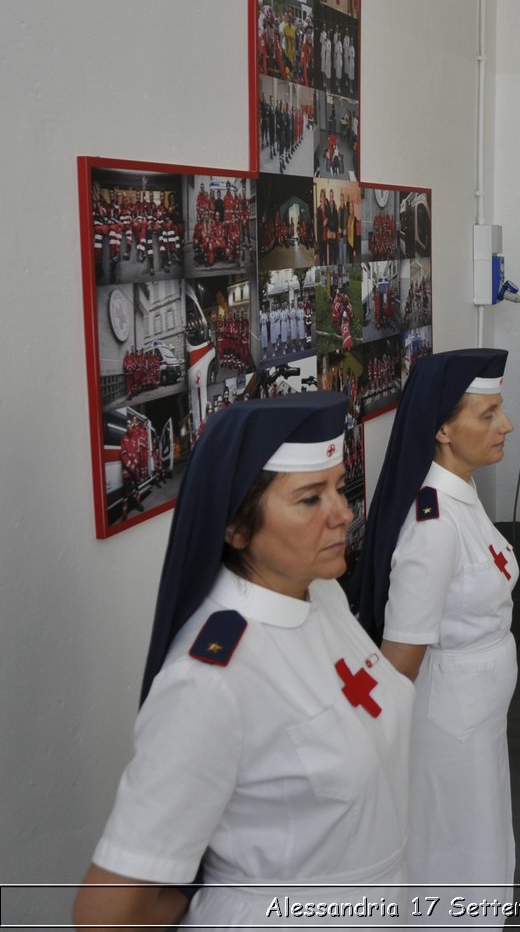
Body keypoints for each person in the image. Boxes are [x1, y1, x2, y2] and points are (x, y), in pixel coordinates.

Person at [73, 394, 413, 927]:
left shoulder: (319, 595)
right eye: (309, 499)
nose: (343, 511)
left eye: (338, 484)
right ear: (235, 528)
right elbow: (108, 914)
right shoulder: (210, 682)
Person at [355, 349, 517, 917]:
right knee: (453, 856)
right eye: (488, 414)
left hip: (474, 720)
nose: (506, 425)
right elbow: (399, 660)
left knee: (478, 843)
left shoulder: (461, 497)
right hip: (448, 725)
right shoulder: (433, 523)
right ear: (444, 429)